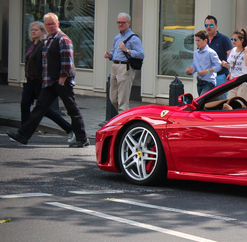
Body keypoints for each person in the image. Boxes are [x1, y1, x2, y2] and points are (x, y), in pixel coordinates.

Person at [7, 13, 89, 147]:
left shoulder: (63, 39)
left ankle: (82, 138)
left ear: (58, 24)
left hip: (62, 82)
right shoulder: (48, 39)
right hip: (49, 81)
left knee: (72, 110)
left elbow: (67, 63)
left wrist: (62, 81)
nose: (51, 26)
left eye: (53, 24)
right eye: (48, 24)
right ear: (45, 26)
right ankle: (23, 136)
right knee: (39, 109)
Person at [20, 21, 74, 143]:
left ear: (42, 32)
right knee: (25, 104)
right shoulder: (32, 44)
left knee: (44, 109)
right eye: (32, 30)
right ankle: (22, 133)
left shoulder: (43, 45)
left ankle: (69, 128)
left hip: (38, 80)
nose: (33, 32)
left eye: (36, 30)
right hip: (30, 80)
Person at [103, 12, 144, 113]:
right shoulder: (117, 37)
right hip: (115, 66)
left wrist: (127, 50)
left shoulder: (134, 38)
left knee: (123, 100)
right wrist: (109, 55)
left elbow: (141, 54)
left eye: (123, 22)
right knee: (113, 98)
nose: (120, 24)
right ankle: (124, 117)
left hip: (125, 67)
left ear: (128, 23)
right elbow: (114, 51)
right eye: (118, 22)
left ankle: (123, 122)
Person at [186, 30, 222, 96]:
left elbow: (218, 66)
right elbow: (195, 66)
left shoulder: (211, 52)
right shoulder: (196, 53)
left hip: (209, 82)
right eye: (196, 41)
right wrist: (190, 71)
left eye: (198, 40)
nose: (197, 43)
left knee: (203, 100)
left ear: (205, 41)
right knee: (202, 103)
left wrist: (206, 71)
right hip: (199, 82)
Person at [204, 15, 233, 92]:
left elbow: (232, 57)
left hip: (220, 76)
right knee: (205, 101)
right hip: (206, 77)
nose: (208, 27)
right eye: (206, 25)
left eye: (211, 25)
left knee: (222, 99)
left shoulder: (223, 39)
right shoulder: (204, 40)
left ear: (216, 26)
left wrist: (231, 72)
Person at [223, 28, 247, 99]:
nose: (233, 41)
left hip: (243, 81)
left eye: (235, 40)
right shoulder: (233, 50)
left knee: (241, 103)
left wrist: (245, 50)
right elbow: (232, 66)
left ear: (242, 40)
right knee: (229, 102)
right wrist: (225, 65)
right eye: (232, 39)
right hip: (233, 81)